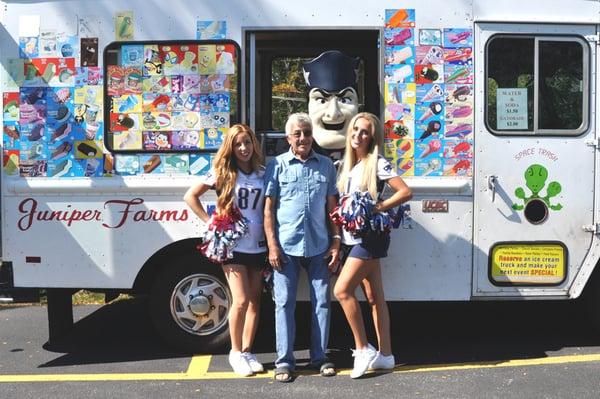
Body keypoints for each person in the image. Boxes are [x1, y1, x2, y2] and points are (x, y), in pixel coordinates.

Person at [333, 112, 412, 379]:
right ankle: (386, 355)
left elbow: (405, 191)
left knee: (342, 291)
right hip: (351, 239)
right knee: (374, 298)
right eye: (355, 129)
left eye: (365, 131)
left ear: (372, 137)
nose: (358, 135)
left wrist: (378, 207)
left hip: (368, 239)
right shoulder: (348, 165)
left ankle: (363, 348)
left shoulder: (376, 162)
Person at [183, 124, 266, 377]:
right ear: (231, 147)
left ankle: (248, 351)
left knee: (255, 302)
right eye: (238, 144)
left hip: (258, 244)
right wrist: (211, 222)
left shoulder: (263, 173)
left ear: (254, 145)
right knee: (240, 300)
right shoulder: (223, 172)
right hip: (233, 245)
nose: (243, 148)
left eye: (247, 143)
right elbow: (191, 196)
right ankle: (235, 352)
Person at [264, 113, 341, 382]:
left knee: (322, 303)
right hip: (285, 248)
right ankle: (285, 361)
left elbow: (333, 209)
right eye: (297, 133)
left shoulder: (326, 166)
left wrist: (336, 242)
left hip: (320, 246)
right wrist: (272, 246)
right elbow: (268, 211)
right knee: (283, 304)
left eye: (307, 133)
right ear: (288, 138)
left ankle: (319, 358)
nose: (303, 138)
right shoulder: (277, 166)